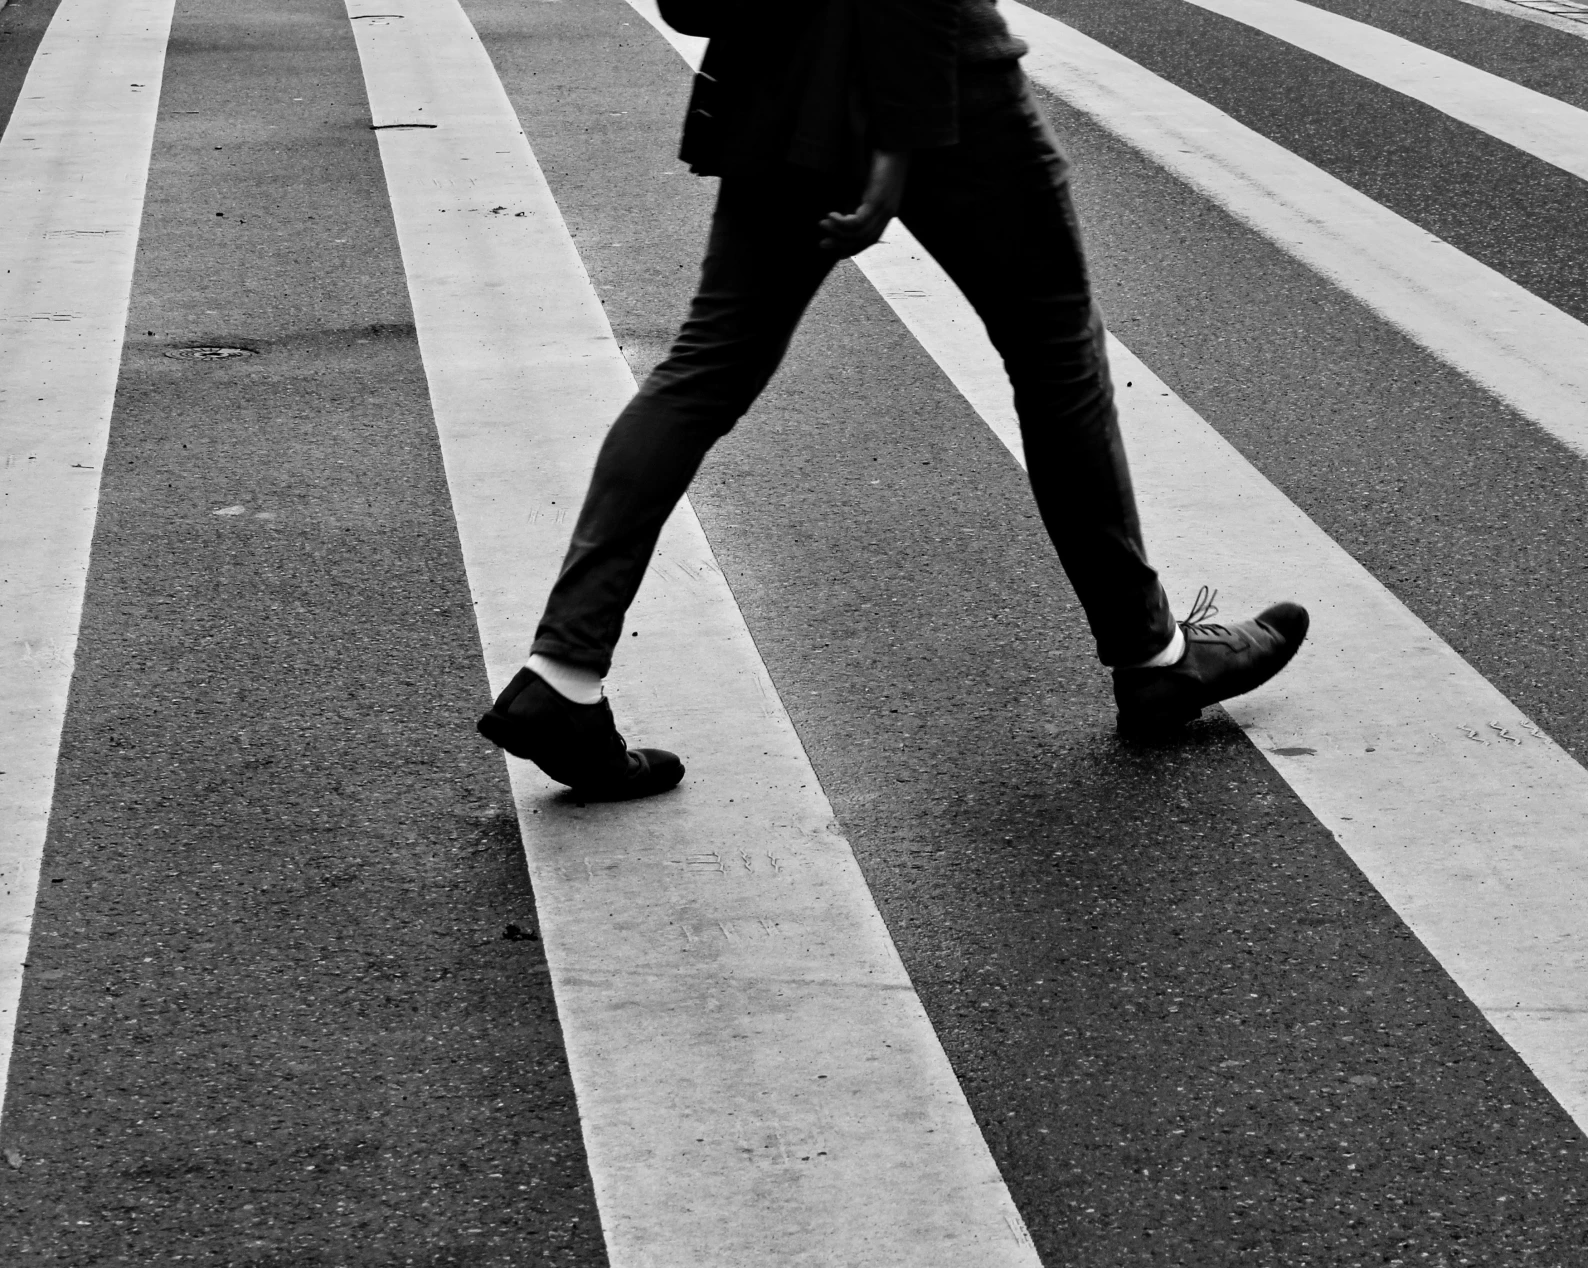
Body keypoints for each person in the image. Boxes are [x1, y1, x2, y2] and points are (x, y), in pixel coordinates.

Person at [476, 0, 1309, 801]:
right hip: (933, 70)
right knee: (1057, 357)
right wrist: (901, 133)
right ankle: (1152, 658)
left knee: (709, 365)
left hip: (782, 69)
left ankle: (563, 673)